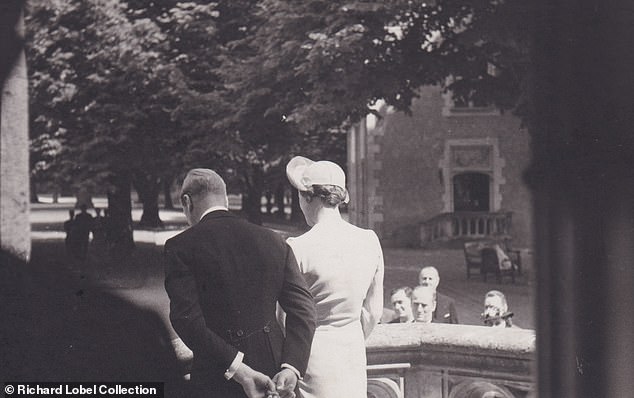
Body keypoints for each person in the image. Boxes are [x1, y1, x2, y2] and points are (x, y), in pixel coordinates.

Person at [163, 168, 317, 398]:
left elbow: (186, 320)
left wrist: (239, 370)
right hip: (273, 375)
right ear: (224, 197)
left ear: (187, 201)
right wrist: (291, 367)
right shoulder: (274, 240)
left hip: (216, 376)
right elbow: (304, 310)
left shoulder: (180, 247)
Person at [285, 156, 384, 398]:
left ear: (308, 196)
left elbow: (284, 317)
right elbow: (373, 313)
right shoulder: (369, 240)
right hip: (352, 351)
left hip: (312, 353)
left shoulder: (298, 246)